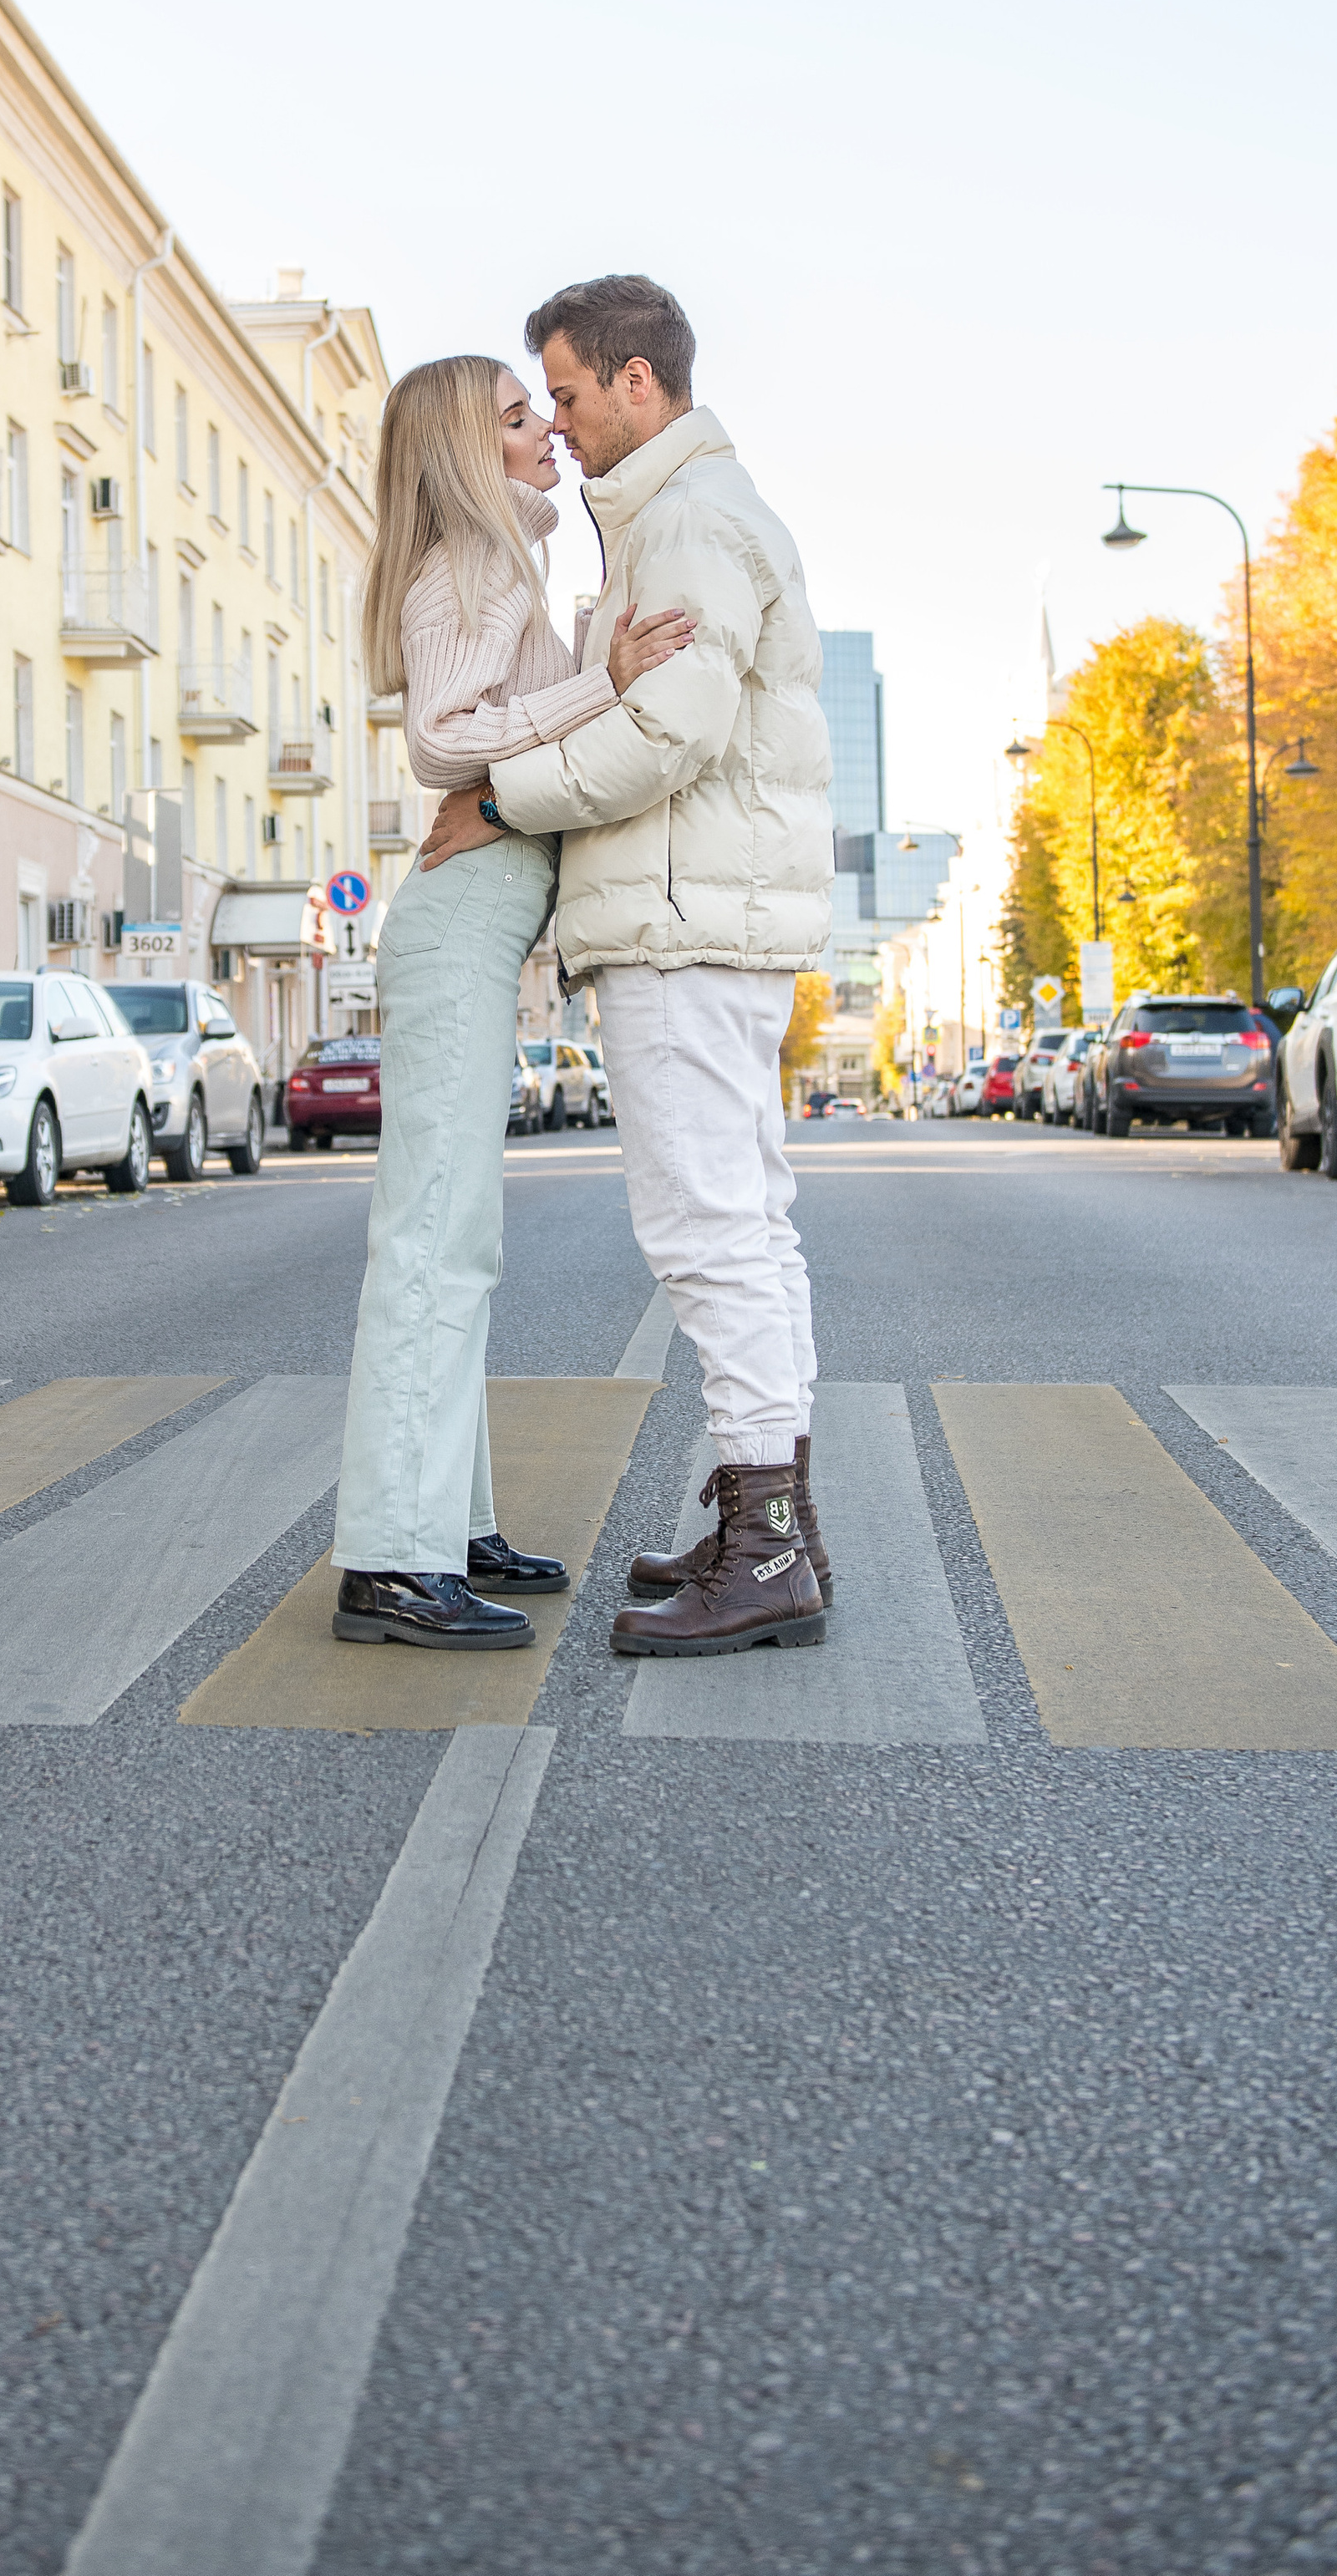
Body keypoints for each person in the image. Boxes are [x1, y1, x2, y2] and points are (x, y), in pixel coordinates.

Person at [418, 276, 836, 1657]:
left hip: (679, 924)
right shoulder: (686, 513)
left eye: (569, 392)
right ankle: (777, 1527)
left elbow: (673, 732)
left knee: (707, 1230)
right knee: (750, 1226)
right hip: (706, 917)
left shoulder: (690, 522)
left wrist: (500, 798)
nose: (559, 422)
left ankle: (767, 1547)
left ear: (637, 383)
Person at [332, 353, 697, 1649]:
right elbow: (444, 736)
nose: (545, 426)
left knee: (456, 1233)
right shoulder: (475, 561)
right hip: (459, 924)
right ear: (461, 449)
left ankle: (451, 1520)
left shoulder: (503, 563)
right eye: (513, 414)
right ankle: (393, 1558)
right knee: (437, 1238)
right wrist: (609, 680)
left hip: (477, 922)